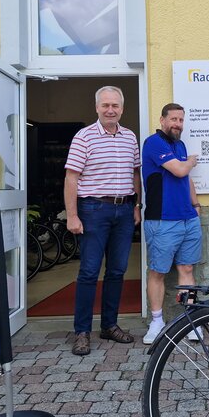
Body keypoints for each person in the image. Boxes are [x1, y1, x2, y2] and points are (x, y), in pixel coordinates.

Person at [64, 85, 142, 356]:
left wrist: (137, 205)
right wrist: (72, 215)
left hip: (124, 210)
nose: (110, 110)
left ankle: (109, 325)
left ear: (122, 108)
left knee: (117, 271)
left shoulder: (130, 137)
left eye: (115, 105)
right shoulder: (84, 137)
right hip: (93, 210)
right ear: (97, 107)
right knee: (89, 271)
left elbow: (135, 173)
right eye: (105, 105)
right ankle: (82, 331)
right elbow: (71, 178)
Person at [142, 103, 203, 344]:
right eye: (174, 119)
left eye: (181, 120)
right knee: (158, 272)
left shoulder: (180, 145)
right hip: (162, 221)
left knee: (187, 270)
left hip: (188, 219)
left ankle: (190, 321)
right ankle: (156, 322)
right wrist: (191, 161)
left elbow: (186, 179)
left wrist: (195, 205)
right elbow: (179, 170)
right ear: (162, 120)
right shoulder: (153, 143)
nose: (178, 124)